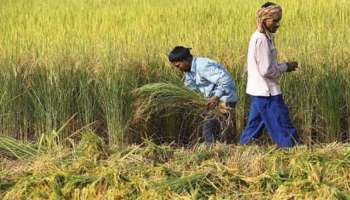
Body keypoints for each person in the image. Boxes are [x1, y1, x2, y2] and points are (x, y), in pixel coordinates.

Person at [239, 2, 299, 148]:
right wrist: (286, 67)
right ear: (264, 19)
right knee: (281, 123)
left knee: (254, 125)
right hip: (267, 92)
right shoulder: (261, 39)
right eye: (275, 20)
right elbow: (266, 70)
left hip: (260, 90)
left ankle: (242, 149)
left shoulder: (265, 36)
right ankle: (291, 151)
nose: (278, 24)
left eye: (279, 20)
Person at [168, 46, 238, 145]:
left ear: (186, 60)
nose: (178, 69)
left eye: (178, 65)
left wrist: (216, 97)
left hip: (224, 100)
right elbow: (190, 88)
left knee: (208, 127)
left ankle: (213, 152)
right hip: (213, 102)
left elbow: (226, 80)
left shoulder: (203, 66)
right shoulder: (189, 71)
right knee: (213, 129)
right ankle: (218, 149)